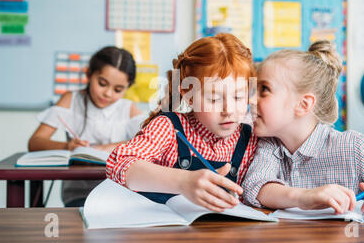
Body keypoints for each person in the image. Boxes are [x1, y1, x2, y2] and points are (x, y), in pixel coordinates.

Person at [242, 40, 364, 218]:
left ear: (303, 104)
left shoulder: (351, 147)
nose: (250, 100)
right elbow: (256, 186)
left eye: (264, 89)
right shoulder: (269, 144)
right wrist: (304, 197)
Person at [106, 33, 258, 212]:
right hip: (167, 233)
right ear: (188, 95)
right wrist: (183, 181)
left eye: (238, 96)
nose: (228, 109)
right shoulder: (168, 127)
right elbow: (119, 164)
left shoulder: (251, 139)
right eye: (214, 98)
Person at [28, 46, 146, 207]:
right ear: (89, 75)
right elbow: (35, 142)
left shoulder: (128, 109)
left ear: (128, 87)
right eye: (102, 83)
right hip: (78, 194)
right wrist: (68, 146)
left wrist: (109, 147)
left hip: (120, 193)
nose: (108, 94)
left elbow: (150, 144)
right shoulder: (70, 100)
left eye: (118, 89)